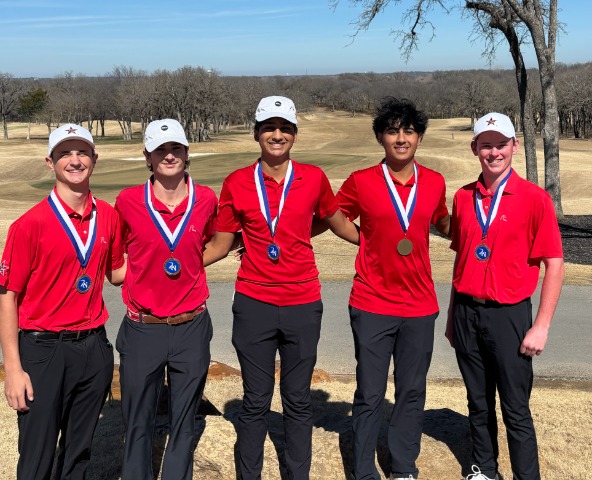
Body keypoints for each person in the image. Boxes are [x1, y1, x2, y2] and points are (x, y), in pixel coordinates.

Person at [203, 95, 359, 479]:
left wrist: (381, 242)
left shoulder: (314, 178)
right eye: (269, 128)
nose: (277, 135)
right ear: (256, 133)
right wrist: (169, 265)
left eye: (285, 128)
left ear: (294, 135)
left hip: (303, 302)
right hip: (254, 302)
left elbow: (336, 222)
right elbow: (222, 244)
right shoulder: (238, 181)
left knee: (298, 401)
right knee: (255, 403)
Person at [0, 123, 125, 480]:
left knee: (80, 452)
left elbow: (118, 273)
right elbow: (7, 299)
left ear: (94, 160)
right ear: (49, 163)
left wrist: (179, 255)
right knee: (36, 455)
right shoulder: (29, 225)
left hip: (93, 347)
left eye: (82, 152)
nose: (74, 160)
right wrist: (13, 369)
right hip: (43, 350)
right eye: (64, 153)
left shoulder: (109, 216)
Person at [335, 97, 451, 480]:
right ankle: (364, 470)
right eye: (392, 131)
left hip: (419, 304)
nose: (401, 139)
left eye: (409, 131)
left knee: (411, 392)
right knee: (369, 393)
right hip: (372, 301)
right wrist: (363, 239)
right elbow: (334, 215)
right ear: (381, 138)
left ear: (419, 138)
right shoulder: (361, 181)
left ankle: (403, 467)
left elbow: (443, 223)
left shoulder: (434, 182)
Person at [446, 112, 564, 480]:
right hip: (467, 312)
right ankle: (484, 469)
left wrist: (541, 325)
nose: (493, 152)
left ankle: (526, 475)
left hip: (509, 315)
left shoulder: (535, 198)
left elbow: (555, 265)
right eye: (486, 145)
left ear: (514, 146)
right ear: (474, 149)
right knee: (478, 403)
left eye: (501, 144)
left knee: (515, 407)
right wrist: (452, 318)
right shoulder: (463, 198)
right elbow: (463, 260)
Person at [114, 119, 218, 480]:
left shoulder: (205, 199)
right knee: (138, 422)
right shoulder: (127, 201)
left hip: (191, 324)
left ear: (187, 153)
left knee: (184, 421)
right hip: (143, 326)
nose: (169, 156)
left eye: (176, 148)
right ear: (147, 156)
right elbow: (116, 258)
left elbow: (212, 242)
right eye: (160, 150)